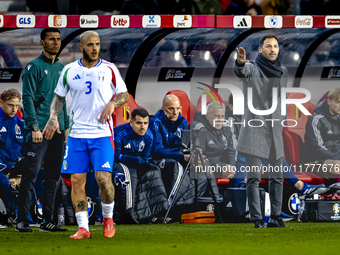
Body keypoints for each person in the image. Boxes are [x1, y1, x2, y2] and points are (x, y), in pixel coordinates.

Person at [44, 31, 129, 239]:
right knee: (77, 181)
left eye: (98, 44)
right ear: (81, 47)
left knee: (103, 180)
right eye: (90, 44)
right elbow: (58, 98)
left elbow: (124, 94)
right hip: (76, 136)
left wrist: (112, 103)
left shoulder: (109, 69)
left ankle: (108, 219)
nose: (95, 48)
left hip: (101, 135)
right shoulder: (69, 70)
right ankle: (83, 228)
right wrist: (53, 117)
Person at [16, 28, 69, 233]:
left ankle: (49, 221)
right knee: (30, 175)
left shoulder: (62, 69)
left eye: (58, 39)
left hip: (57, 131)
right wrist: (34, 127)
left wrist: (64, 127)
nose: (55, 43)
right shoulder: (33, 67)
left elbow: (62, 101)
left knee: (53, 177)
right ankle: (22, 220)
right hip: (38, 129)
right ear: (42, 42)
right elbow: (27, 98)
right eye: (51, 39)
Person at [234, 34, 287, 228]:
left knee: (277, 178)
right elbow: (242, 71)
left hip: (274, 132)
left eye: (275, 46)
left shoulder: (283, 71)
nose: (272, 49)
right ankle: (257, 219)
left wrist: (282, 121)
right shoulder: (252, 69)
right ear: (261, 49)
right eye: (268, 46)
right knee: (254, 179)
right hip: (254, 132)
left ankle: (275, 217)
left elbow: (282, 100)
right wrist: (239, 63)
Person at [226, 94, 324, 195]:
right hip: (236, 160)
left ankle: (300, 187)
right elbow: (233, 147)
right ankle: (239, 203)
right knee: (240, 172)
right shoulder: (229, 121)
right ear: (231, 106)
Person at [113, 108, 168, 224]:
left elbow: (145, 158)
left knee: (154, 171)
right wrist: (135, 159)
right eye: (138, 123)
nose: (142, 127)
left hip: (137, 163)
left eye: (145, 123)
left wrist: (141, 161)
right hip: (119, 165)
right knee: (131, 175)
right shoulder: (119, 133)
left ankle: (155, 214)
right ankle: (127, 215)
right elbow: (116, 157)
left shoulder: (149, 135)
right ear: (131, 122)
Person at [149, 94, 190, 198]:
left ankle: (214, 202)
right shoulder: (155, 122)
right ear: (163, 109)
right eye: (171, 109)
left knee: (201, 165)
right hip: (160, 160)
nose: (175, 112)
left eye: (178, 109)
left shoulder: (183, 122)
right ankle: (170, 204)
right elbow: (157, 150)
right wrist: (181, 156)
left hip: (178, 156)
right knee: (174, 165)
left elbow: (185, 145)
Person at [191, 102, 236, 180]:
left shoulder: (227, 127)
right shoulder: (199, 128)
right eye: (217, 116)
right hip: (203, 169)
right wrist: (221, 167)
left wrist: (230, 167)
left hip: (221, 166)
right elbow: (200, 159)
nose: (220, 120)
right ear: (207, 115)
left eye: (222, 116)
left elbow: (231, 151)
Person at [303, 88, 340, 184]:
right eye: (338, 102)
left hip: (335, 157)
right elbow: (317, 148)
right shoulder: (316, 119)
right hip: (314, 160)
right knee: (337, 165)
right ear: (329, 101)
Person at [0, 88, 24, 227]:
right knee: (3, 180)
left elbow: (25, 151)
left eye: (16, 105)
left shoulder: (21, 124)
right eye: (10, 105)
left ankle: (40, 215)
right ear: (1, 103)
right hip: (2, 168)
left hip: (16, 168)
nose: (14, 109)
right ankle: (13, 214)